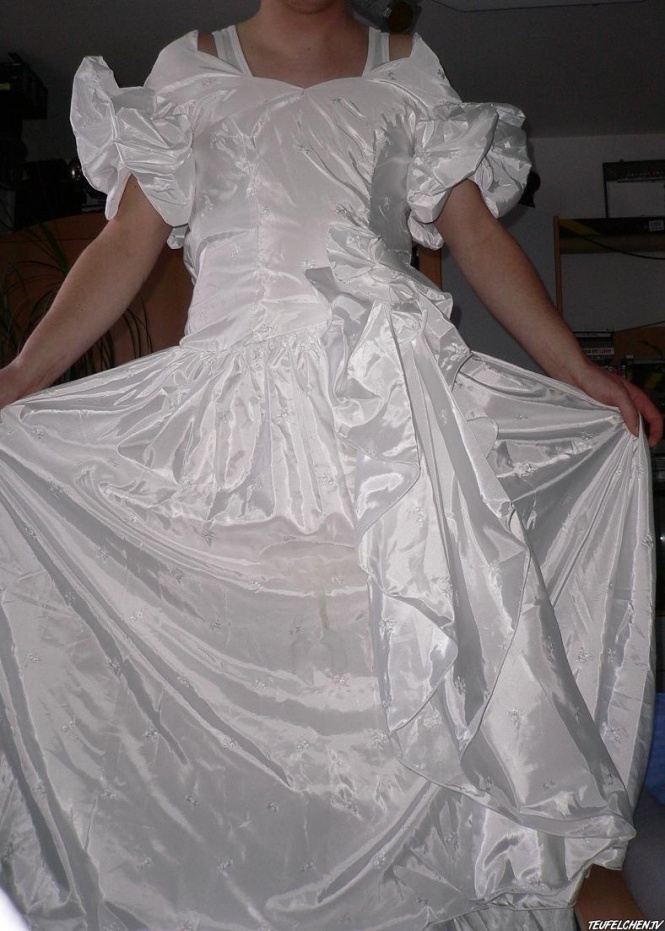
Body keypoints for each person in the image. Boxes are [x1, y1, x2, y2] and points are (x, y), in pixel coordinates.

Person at [0, 1, 660, 928]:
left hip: (390, 425)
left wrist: (578, 374)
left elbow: (473, 235)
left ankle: (449, 873)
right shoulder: (187, 71)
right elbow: (125, 241)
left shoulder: (410, 70)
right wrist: (18, 377)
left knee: (397, 650)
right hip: (230, 432)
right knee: (263, 671)